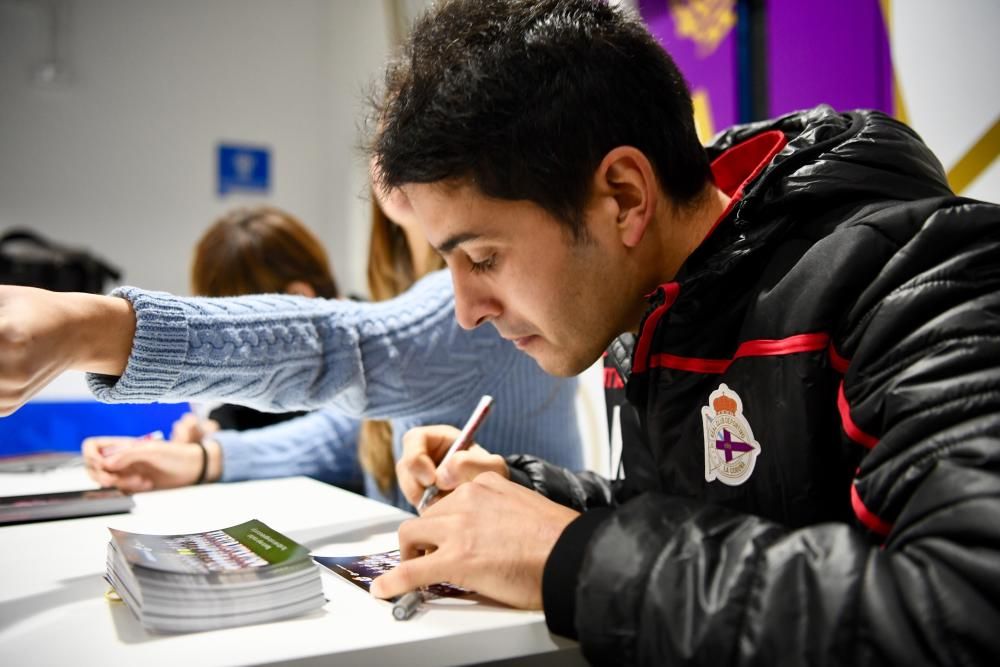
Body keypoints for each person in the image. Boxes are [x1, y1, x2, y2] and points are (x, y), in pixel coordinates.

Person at [354, 0, 998, 664]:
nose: (466, 308)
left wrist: (573, 557)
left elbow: (964, 606)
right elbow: (712, 512)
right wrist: (534, 494)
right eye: (448, 263)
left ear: (625, 197)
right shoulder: (646, 300)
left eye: (483, 257)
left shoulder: (922, 280)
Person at [76, 194, 583, 509]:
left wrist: (101, 333)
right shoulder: (426, 298)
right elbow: (347, 436)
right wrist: (203, 459)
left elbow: (338, 349)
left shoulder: (453, 309)